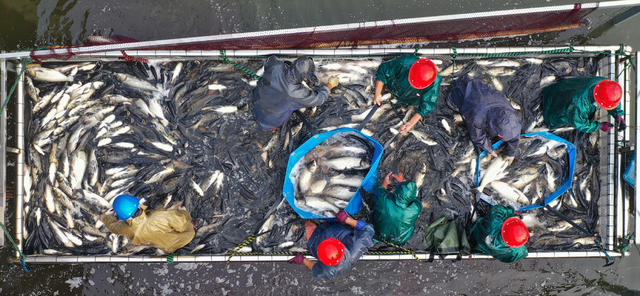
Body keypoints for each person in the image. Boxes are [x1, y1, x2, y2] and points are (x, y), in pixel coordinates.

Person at [252, 55, 340, 130]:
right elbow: (319, 99)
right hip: (269, 119)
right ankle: (269, 128)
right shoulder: (295, 94)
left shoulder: (276, 67)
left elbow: (270, 60)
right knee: (268, 123)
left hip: (257, 100)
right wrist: (329, 85)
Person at [448, 76, 521, 164]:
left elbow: (514, 133)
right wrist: (490, 150)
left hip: (482, 89)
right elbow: (478, 137)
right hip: (462, 92)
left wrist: (511, 153)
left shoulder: (509, 112)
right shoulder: (477, 118)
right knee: (454, 103)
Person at [288, 210, 374, 279]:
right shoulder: (356, 245)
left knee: (296, 227)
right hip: (336, 227)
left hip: (314, 240)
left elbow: (316, 269)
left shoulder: (328, 270)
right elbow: (368, 229)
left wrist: (303, 260)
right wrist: (346, 219)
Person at [100, 194, 195, 254]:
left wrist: (105, 218)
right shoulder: (160, 214)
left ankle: (170, 259)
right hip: (187, 239)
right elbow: (182, 223)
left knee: (168, 258)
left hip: (167, 249)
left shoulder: (127, 229)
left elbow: (113, 227)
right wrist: (184, 213)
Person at [374, 55, 442, 134]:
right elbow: (383, 70)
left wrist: (411, 123)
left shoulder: (435, 82)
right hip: (393, 86)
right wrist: (378, 93)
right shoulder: (404, 62)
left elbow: (428, 104)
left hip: (412, 99)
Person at [542, 77, 626, 133]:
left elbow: (610, 98)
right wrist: (599, 126)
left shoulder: (604, 84)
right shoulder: (579, 104)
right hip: (553, 107)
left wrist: (618, 115)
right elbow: (580, 124)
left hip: (565, 87)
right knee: (553, 118)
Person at [372, 172, 421, 245]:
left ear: (397, 190)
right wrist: (403, 184)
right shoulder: (416, 208)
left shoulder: (383, 199)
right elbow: (415, 198)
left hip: (378, 237)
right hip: (400, 241)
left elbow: (380, 190)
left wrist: (385, 182)